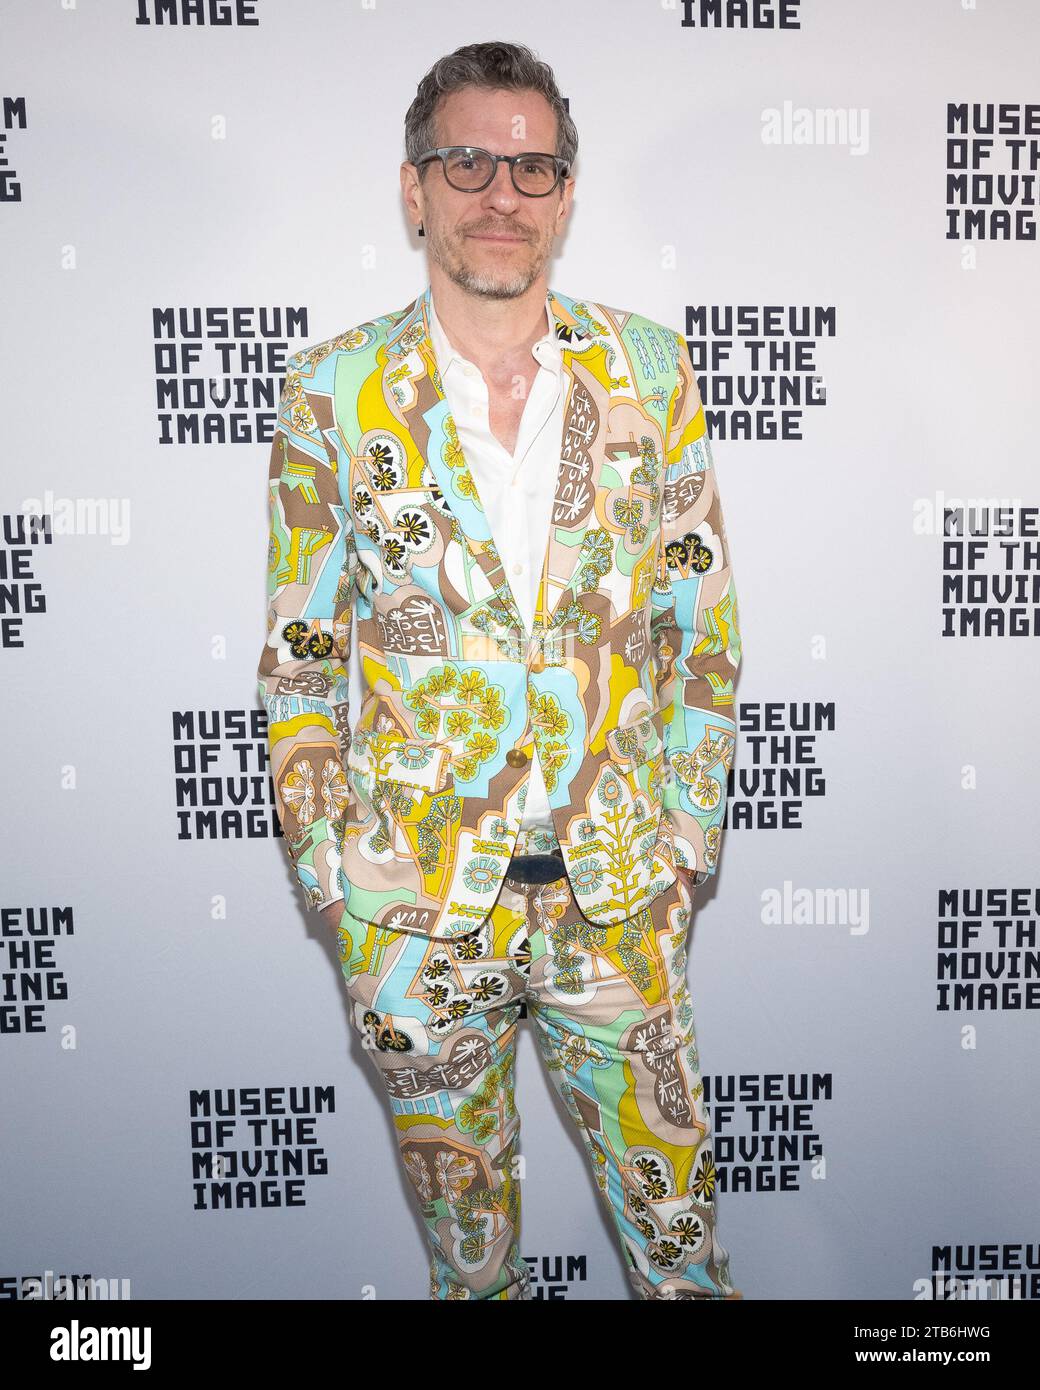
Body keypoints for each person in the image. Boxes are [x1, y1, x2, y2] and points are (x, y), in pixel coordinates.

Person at [257, 39, 742, 1301]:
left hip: (620, 904)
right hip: (415, 919)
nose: (499, 193)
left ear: (567, 197)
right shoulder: (331, 390)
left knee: (682, 1259)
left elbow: (704, 630)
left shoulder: (648, 370)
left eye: (533, 167)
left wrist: (686, 840)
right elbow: (302, 657)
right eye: (465, 160)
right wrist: (333, 875)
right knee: (472, 1280)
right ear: (413, 189)